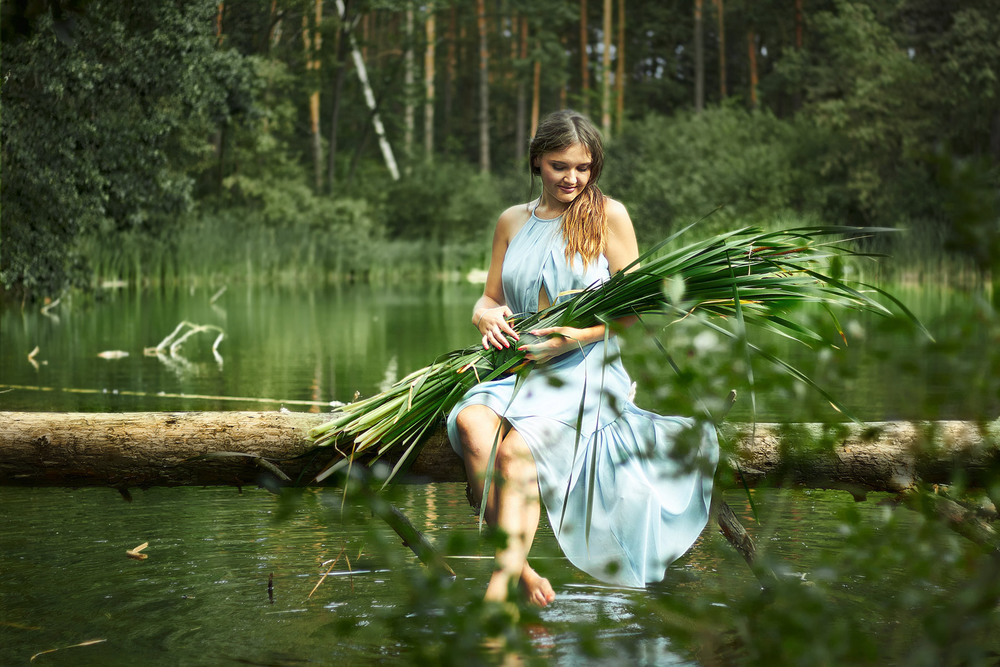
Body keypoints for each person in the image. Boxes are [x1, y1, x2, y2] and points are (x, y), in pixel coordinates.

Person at [446, 109, 719, 608]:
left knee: (515, 452)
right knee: (470, 423)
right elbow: (488, 298)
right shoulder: (512, 220)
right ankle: (522, 567)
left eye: (584, 167)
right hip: (517, 364)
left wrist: (575, 337)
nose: (572, 178)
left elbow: (637, 310)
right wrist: (484, 316)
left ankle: (498, 591)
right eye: (559, 165)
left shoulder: (608, 215)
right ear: (536, 162)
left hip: (587, 364)